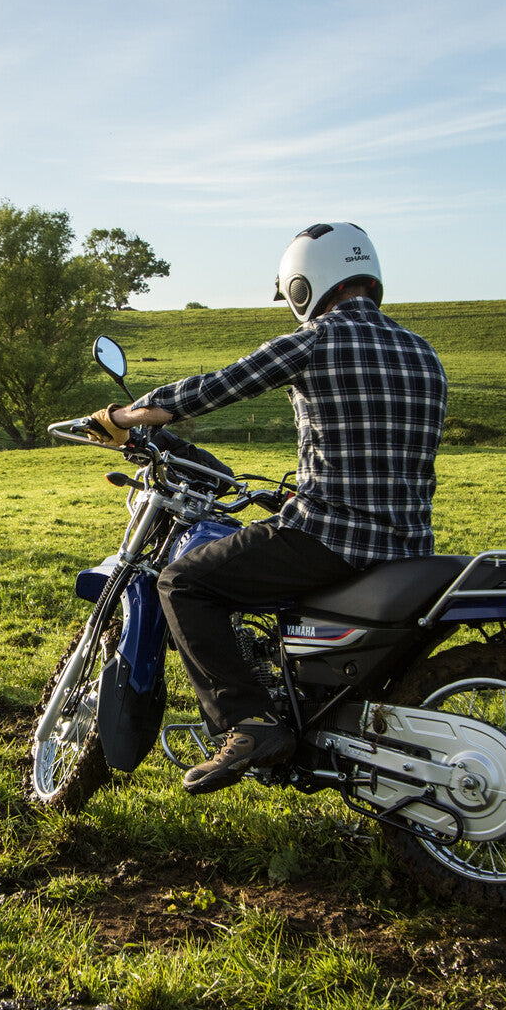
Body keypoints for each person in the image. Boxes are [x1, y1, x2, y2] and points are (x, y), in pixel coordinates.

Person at [86, 222, 448, 795]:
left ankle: (249, 723)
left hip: (329, 541)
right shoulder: (422, 352)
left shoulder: (317, 339)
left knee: (182, 582)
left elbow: (217, 386)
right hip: (409, 546)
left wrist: (125, 416)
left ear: (304, 285)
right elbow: (379, 454)